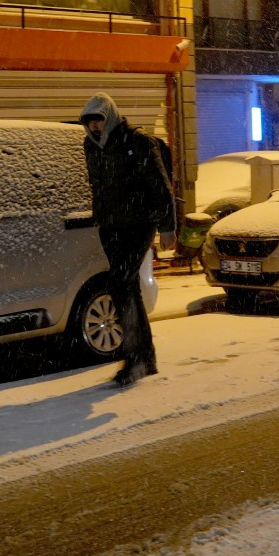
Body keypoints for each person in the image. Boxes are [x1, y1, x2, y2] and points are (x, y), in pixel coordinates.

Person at [80, 92, 177, 387]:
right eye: (90, 123)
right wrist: (99, 215)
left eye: (99, 121)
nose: (95, 127)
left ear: (109, 117)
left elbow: (160, 187)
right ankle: (145, 358)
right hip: (110, 226)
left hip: (139, 223)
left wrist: (167, 227)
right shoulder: (91, 146)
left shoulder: (137, 143)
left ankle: (134, 359)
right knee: (127, 287)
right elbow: (97, 183)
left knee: (120, 284)